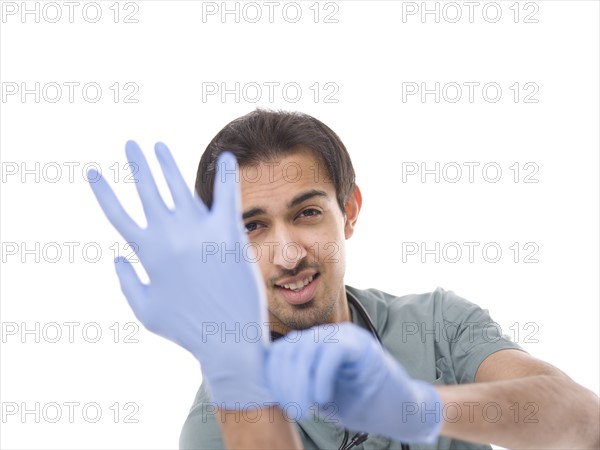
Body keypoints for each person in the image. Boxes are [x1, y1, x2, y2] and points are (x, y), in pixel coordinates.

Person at [88, 109, 599, 450]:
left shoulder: (437, 325)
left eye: (307, 212)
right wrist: (241, 386)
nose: (287, 254)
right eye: (252, 227)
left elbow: (584, 423)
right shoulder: (215, 426)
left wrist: (417, 408)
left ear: (349, 211)